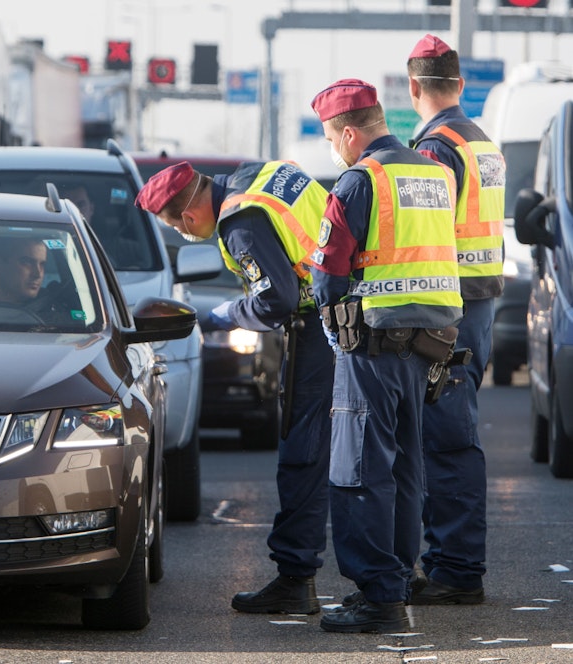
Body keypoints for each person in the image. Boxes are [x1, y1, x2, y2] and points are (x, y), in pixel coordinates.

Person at [135, 159, 334, 615]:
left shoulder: (240, 221)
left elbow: (274, 302)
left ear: (185, 217)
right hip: (357, 315)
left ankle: (295, 579)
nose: (185, 234)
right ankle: (392, 577)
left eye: (176, 226)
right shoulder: (262, 173)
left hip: (320, 331)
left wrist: (216, 317)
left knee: (302, 456)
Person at [308, 78, 463, 633]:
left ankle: (378, 598)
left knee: (359, 472)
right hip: (428, 347)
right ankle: (396, 579)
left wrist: (330, 323)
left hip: (371, 347)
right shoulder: (434, 172)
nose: (334, 149)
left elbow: (326, 278)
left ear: (349, 134)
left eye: (331, 138)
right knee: (403, 467)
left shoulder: (358, 181)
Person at [407, 33, 505, 606]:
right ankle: (447, 560)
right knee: (449, 435)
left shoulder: (435, 148)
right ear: (461, 84)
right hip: (479, 305)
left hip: (449, 311)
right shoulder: (480, 140)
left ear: (413, 86)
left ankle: (457, 570)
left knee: (446, 442)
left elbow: (423, 234)